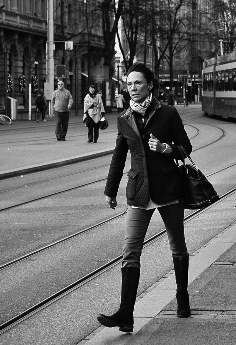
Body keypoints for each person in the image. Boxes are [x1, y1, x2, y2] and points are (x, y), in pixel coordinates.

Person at [99, 62, 193, 332]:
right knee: (130, 251)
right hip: (139, 191)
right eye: (129, 84)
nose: (133, 88)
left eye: (138, 83)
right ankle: (125, 314)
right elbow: (119, 156)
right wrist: (110, 189)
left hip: (168, 190)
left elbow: (186, 147)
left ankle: (182, 298)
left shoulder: (168, 113)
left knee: (178, 246)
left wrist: (166, 148)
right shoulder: (125, 117)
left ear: (150, 84)